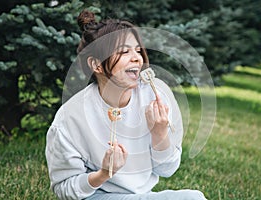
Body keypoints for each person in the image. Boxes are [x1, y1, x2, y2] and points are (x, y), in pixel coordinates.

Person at [45, 9, 207, 200]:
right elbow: (63, 189)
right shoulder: (70, 117)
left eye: (138, 50)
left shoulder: (156, 96)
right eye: (123, 51)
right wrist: (103, 174)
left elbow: (167, 170)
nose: (137, 58)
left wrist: (160, 134)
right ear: (96, 65)